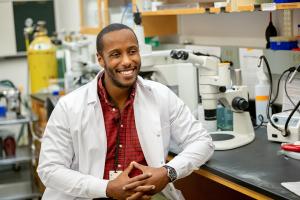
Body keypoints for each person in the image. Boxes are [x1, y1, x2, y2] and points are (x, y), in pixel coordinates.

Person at [37, 23, 214, 200]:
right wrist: (106, 188)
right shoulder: (69, 106)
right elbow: (50, 169)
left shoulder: (161, 96)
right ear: (100, 59)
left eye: (132, 51)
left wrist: (168, 172)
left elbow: (202, 142)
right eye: (115, 54)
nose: (127, 61)